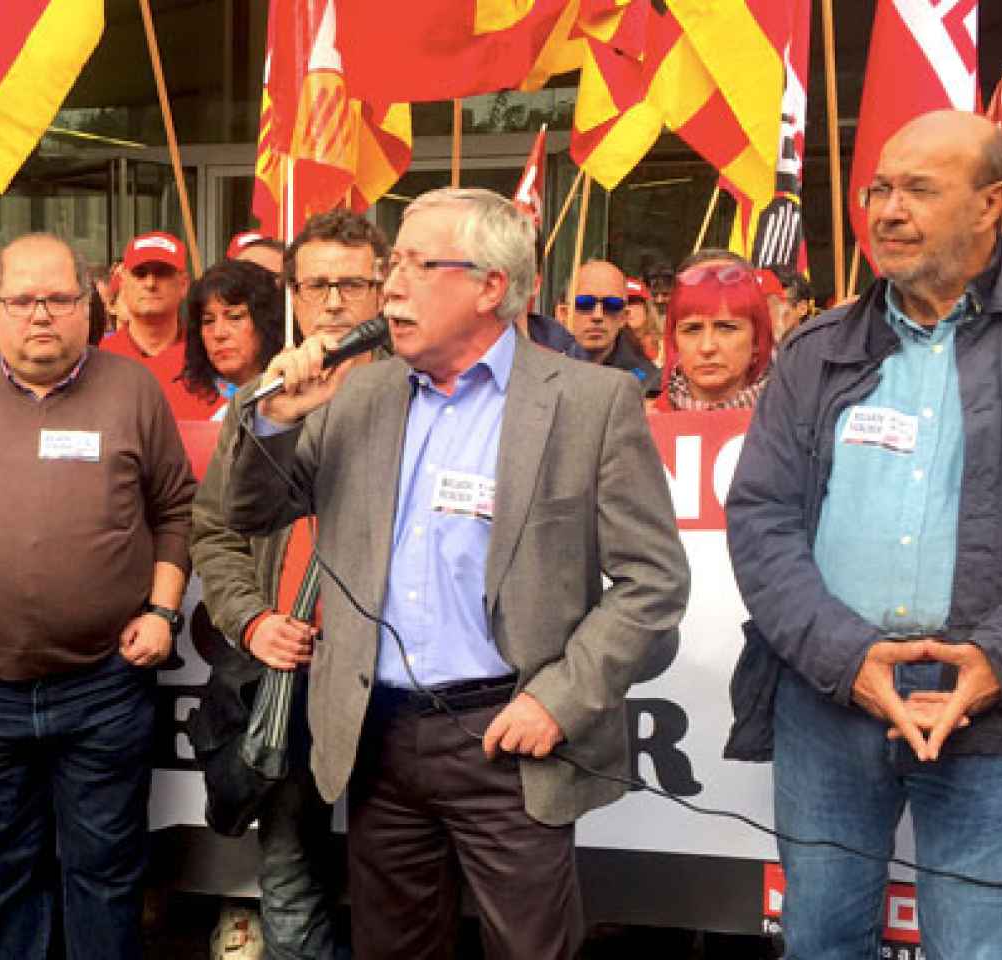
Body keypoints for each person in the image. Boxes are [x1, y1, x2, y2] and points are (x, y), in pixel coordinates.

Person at [227, 187, 689, 959]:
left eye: (416, 264)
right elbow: (252, 508)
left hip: (510, 737)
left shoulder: (590, 402)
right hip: (380, 735)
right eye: (391, 264)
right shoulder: (358, 393)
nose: (390, 287)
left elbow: (653, 585)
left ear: (490, 287)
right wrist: (278, 416)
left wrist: (559, 699)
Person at [727, 110, 1002, 959]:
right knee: (820, 943)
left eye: (919, 190)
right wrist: (845, 657)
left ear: (992, 203)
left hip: (998, 714)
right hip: (831, 702)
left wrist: (998, 662)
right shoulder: (818, 350)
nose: (888, 210)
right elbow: (760, 519)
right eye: (879, 189)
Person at [0, 232, 196, 960]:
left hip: (103, 685)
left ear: (90, 304)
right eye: (22, 300)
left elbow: (175, 510)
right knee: (6, 870)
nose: (41, 315)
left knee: (106, 871)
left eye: (59, 298)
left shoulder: (132, 390)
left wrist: (161, 610)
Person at [193, 208, 388, 960]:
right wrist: (251, 622)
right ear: (293, 296)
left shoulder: (422, 390)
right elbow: (215, 528)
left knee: (394, 876)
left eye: (350, 283)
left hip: (394, 686)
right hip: (290, 673)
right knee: (291, 875)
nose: (333, 302)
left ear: (383, 288)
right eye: (315, 285)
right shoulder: (266, 396)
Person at [100, 230, 220, 419]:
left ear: (184, 285)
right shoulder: (98, 360)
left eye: (162, 273)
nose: (150, 283)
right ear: (123, 283)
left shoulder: (212, 354)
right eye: (140, 274)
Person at [652, 253, 774, 412]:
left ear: (757, 340)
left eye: (726, 328)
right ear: (674, 341)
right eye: (692, 329)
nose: (707, 347)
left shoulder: (796, 422)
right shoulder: (640, 423)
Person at [178, 259, 283, 413]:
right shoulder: (179, 401)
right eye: (208, 321)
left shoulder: (298, 396)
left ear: (266, 322)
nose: (219, 333)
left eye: (235, 317)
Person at [558, 260, 660, 395]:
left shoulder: (648, 384)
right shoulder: (543, 371)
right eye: (585, 303)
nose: (597, 315)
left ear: (624, 317)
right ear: (563, 313)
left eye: (612, 305)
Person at [623, 276, 662, 362]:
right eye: (621, 303)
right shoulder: (608, 353)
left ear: (647, 308)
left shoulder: (669, 347)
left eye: (632, 301)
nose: (627, 309)